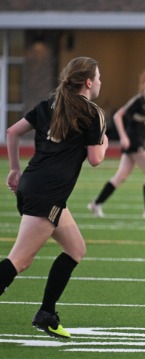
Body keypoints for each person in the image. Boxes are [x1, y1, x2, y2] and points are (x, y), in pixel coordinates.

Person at [1, 57, 108, 338]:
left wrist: (14, 169)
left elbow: (12, 132)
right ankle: (45, 313)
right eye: (98, 77)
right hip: (47, 194)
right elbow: (96, 159)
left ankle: (46, 314)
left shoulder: (50, 103)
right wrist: (105, 141)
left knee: (75, 249)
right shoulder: (93, 112)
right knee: (20, 260)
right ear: (88, 82)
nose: (100, 81)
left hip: (35, 186)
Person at [88, 70, 145, 219]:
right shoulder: (138, 101)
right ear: (143, 85)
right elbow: (117, 116)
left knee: (121, 176)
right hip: (134, 140)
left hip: (137, 141)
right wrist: (123, 137)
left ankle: (96, 203)